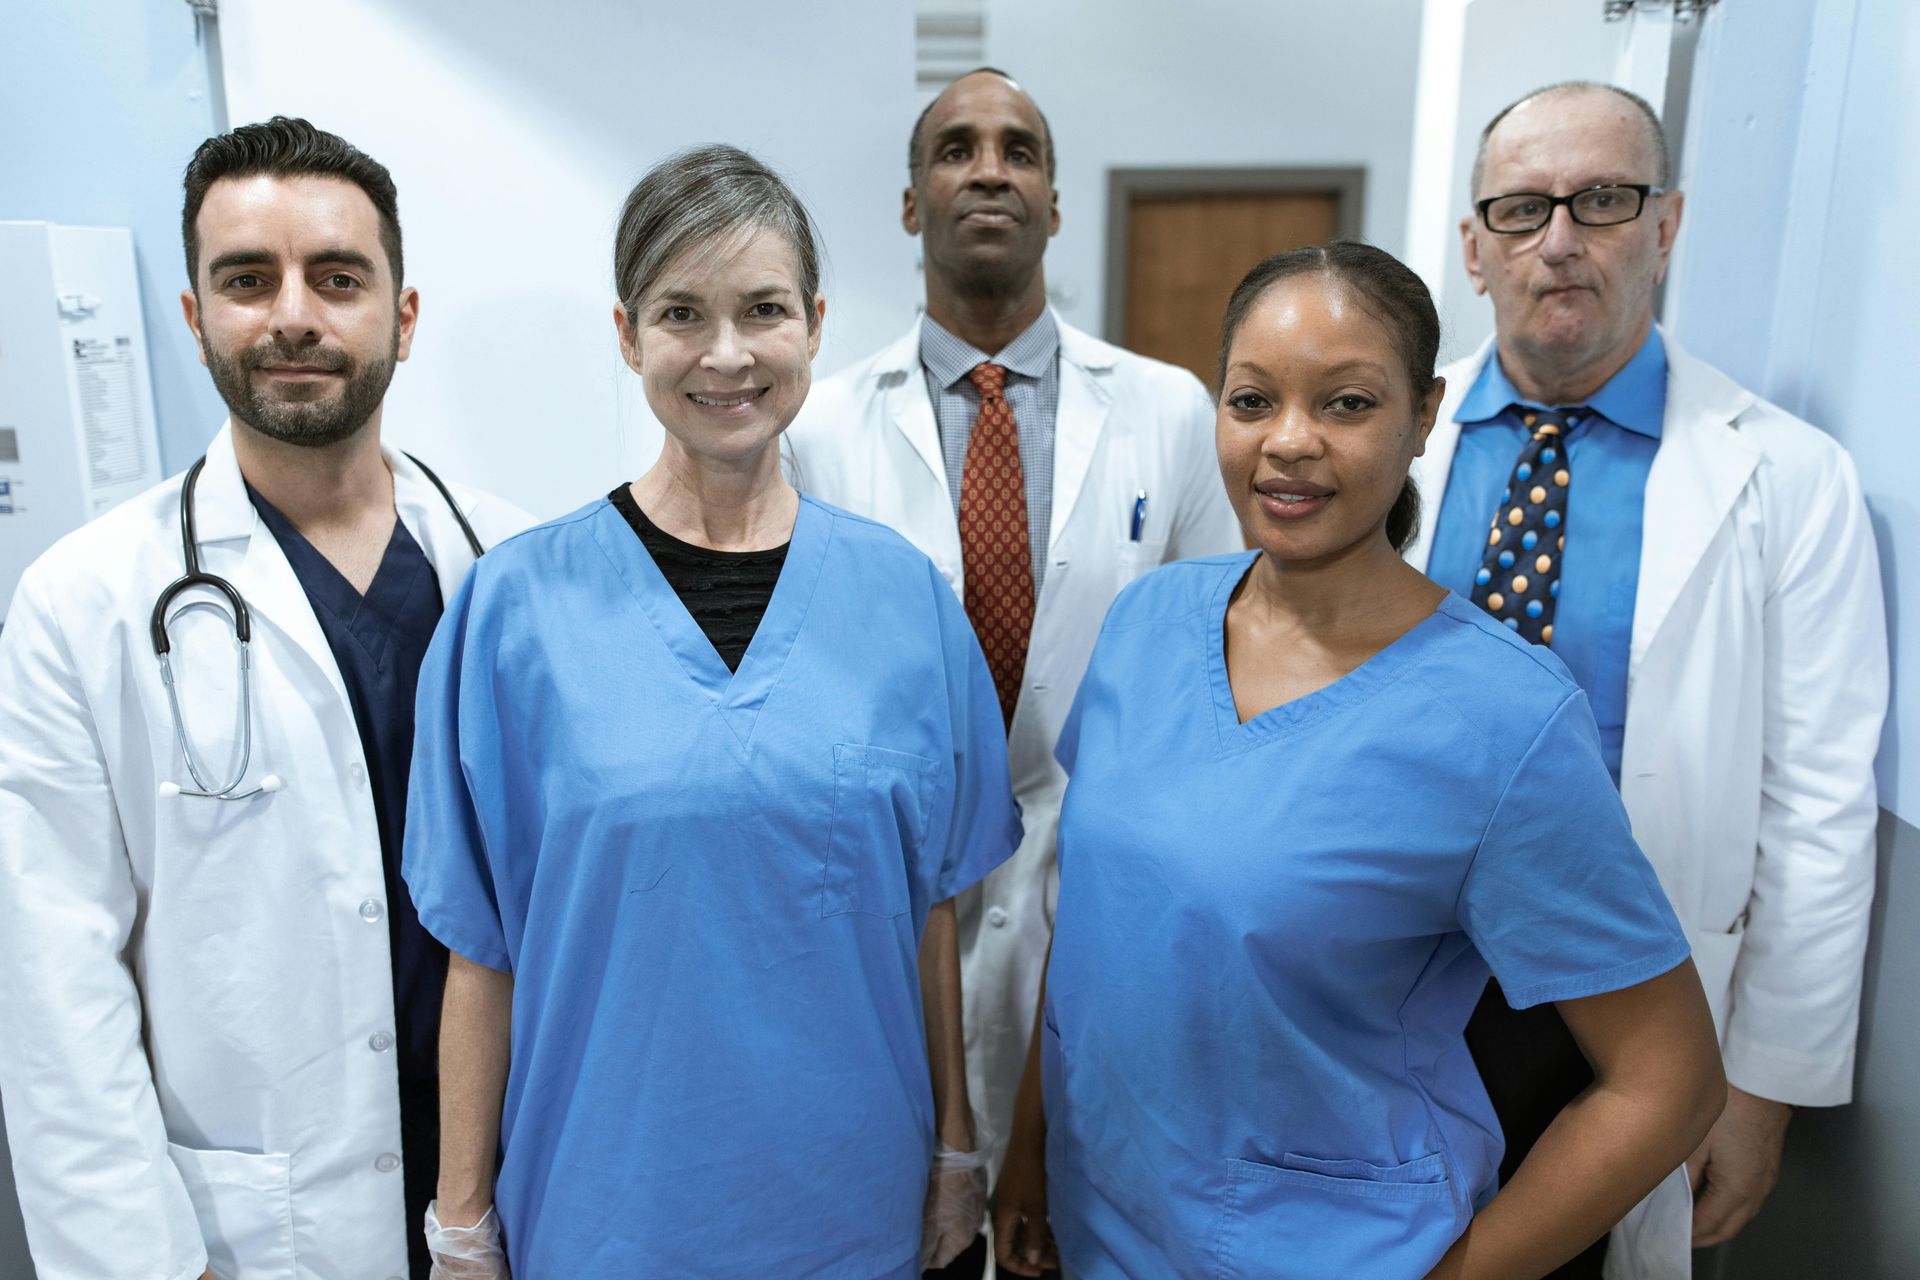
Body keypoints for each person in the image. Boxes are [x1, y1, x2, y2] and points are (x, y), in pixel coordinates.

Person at [990, 242, 1727, 1280]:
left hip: (1328, 1244)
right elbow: (1091, 925)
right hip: (1102, 1215)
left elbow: (1670, 1079)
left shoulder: (1500, 718)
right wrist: (1030, 1150)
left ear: (1423, 416)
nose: (1288, 442)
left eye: (1345, 403)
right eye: (1252, 400)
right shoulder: (1149, 621)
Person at [405, 144, 1022, 1279]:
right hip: (606, 1206)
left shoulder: (904, 604)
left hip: (851, 1202)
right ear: (629, 334)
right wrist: (460, 1218)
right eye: (682, 311)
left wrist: (954, 1146)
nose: (727, 352)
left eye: (764, 309)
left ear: (816, 324)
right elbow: (478, 949)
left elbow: (933, 913)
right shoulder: (517, 608)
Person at [0, 117, 530, 1279]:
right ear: (195, 320)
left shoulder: (519, 563)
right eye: (248, 279)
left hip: (513, 1180)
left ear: (403, 314)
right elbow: (55, 992)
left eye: (338, 277)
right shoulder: (81, 603)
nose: (293, 313)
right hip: (262, 1230)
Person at [1406, 82, 1888, 1277]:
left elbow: (1821, 803)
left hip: (1634, 1001)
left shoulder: (1789, 475)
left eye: (1604, 200)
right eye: (1520, 209)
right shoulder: (1393, 444)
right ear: (1473, 248)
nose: (1559, 239)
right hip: (1403, 970)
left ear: (1666, 226)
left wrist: (1762, 1085)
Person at [786, 70, 1242, 1270]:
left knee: (1081, 1241)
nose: (988, 168)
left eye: (1019, 151)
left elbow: (1221, 673)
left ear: (1052, 203)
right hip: (894, 913)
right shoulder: (818, 430)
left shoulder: (1167, 409)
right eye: (955, 149)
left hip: (1102, 895)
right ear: (908, 203)